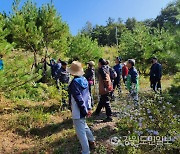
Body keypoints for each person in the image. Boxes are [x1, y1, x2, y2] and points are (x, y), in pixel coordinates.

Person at [68, 61, 95, 154]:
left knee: (81, 133)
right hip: (85, 108)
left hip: (78, 110)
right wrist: (89, 108)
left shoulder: (74, 83)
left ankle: (86, 151)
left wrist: (84, 111)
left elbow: (78, 99)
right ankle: (92, 140)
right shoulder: (84, 80)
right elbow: (88, 95)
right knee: (84, 126)